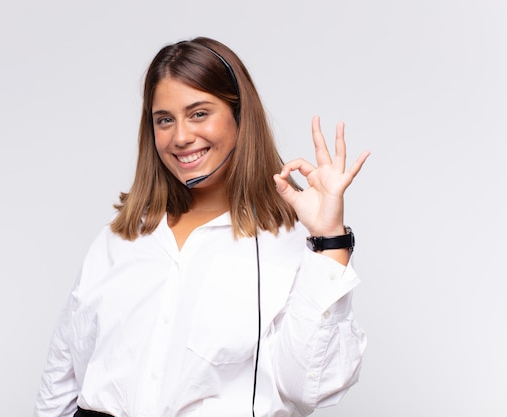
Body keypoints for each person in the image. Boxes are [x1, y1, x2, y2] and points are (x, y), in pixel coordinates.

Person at [34, 36, 370, 417]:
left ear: (240, 116)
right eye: (165, 120)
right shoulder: (121, 236)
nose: (180, 137)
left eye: (198, 114)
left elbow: (307, 388)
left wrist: (329, 239)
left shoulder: (290, 243)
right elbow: (62, 373)